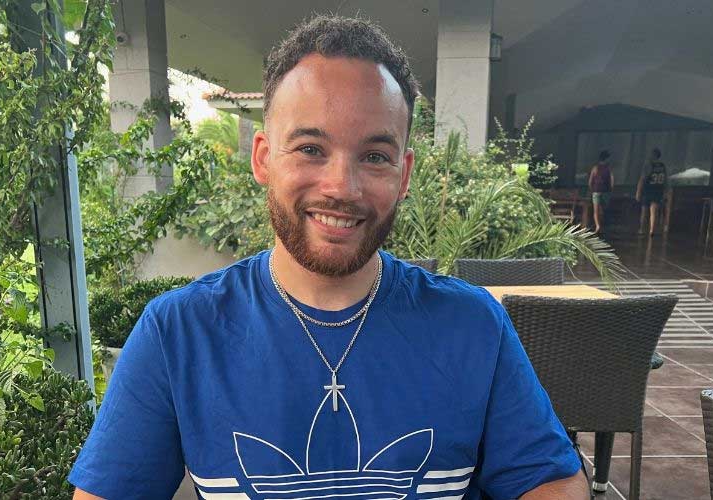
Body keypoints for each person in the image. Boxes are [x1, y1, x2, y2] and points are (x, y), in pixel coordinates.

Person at [70, 15, 588, 500]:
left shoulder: (474, 326)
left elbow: (552, 484)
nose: (342, 186)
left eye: (375, 156)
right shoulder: (179, 332)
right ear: (264, 159)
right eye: (311, 148)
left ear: (404, 175)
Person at [636, 148, 667, 236]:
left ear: (653, 155)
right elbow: (665, 180)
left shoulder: (648, 165)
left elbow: (642, 179)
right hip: (658, 190)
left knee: (644, 210)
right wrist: (665, 191)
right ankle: (651, 230)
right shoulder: (662, 166)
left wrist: (638, 191)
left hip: (648, 190)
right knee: (654, 211)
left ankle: (642, 229)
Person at [587, 150, 613, 234]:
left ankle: (598, 225)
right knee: (603, 209)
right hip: (605, 191)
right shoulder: (608, 168)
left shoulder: (595, 168)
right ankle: (600, 224)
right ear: (607, 158)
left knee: (596, 210)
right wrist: (611, 190)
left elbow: (590, 181)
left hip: (596, 191)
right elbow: (612, 180)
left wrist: (591, 190)